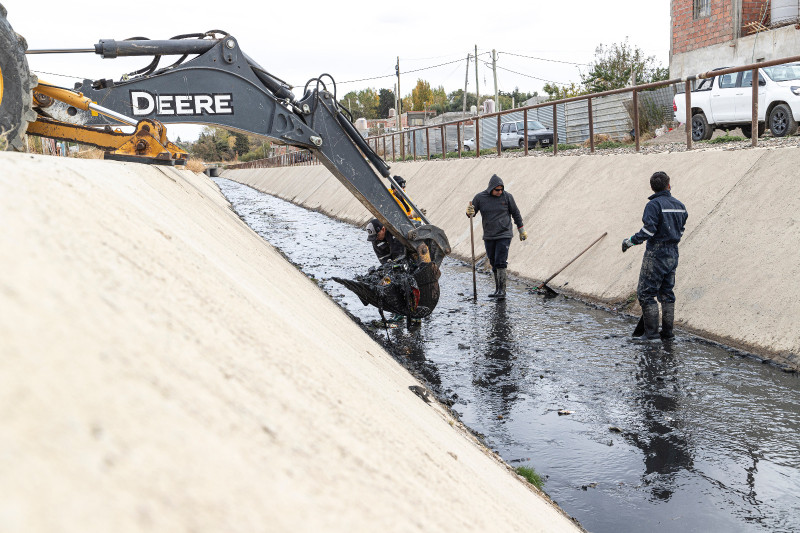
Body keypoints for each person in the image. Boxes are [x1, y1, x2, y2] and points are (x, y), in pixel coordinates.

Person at [622, 171, 688, 340]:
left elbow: (648, 231)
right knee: (667, 293)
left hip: (656, 253)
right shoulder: (680, 206)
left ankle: (651, 336)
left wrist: (630, 241)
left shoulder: (654, 205)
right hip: (673, 252)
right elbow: (681, 229)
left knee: (646, 293)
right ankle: (667, 333)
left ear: (652, 188)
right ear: (669, 185)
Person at [466, 174, 527, 299]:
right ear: (491, 188)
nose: (500, 192)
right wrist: (469, 212)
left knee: (500, 261)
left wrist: (521, 230)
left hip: (504, 234)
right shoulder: (480, 198)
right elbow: (472, 214)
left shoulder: (507, 197)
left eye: (501, 189)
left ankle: (502, 291)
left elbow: (516, 213)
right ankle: (497, 289)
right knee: (493, 261)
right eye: (497, 190)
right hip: (489, 235)